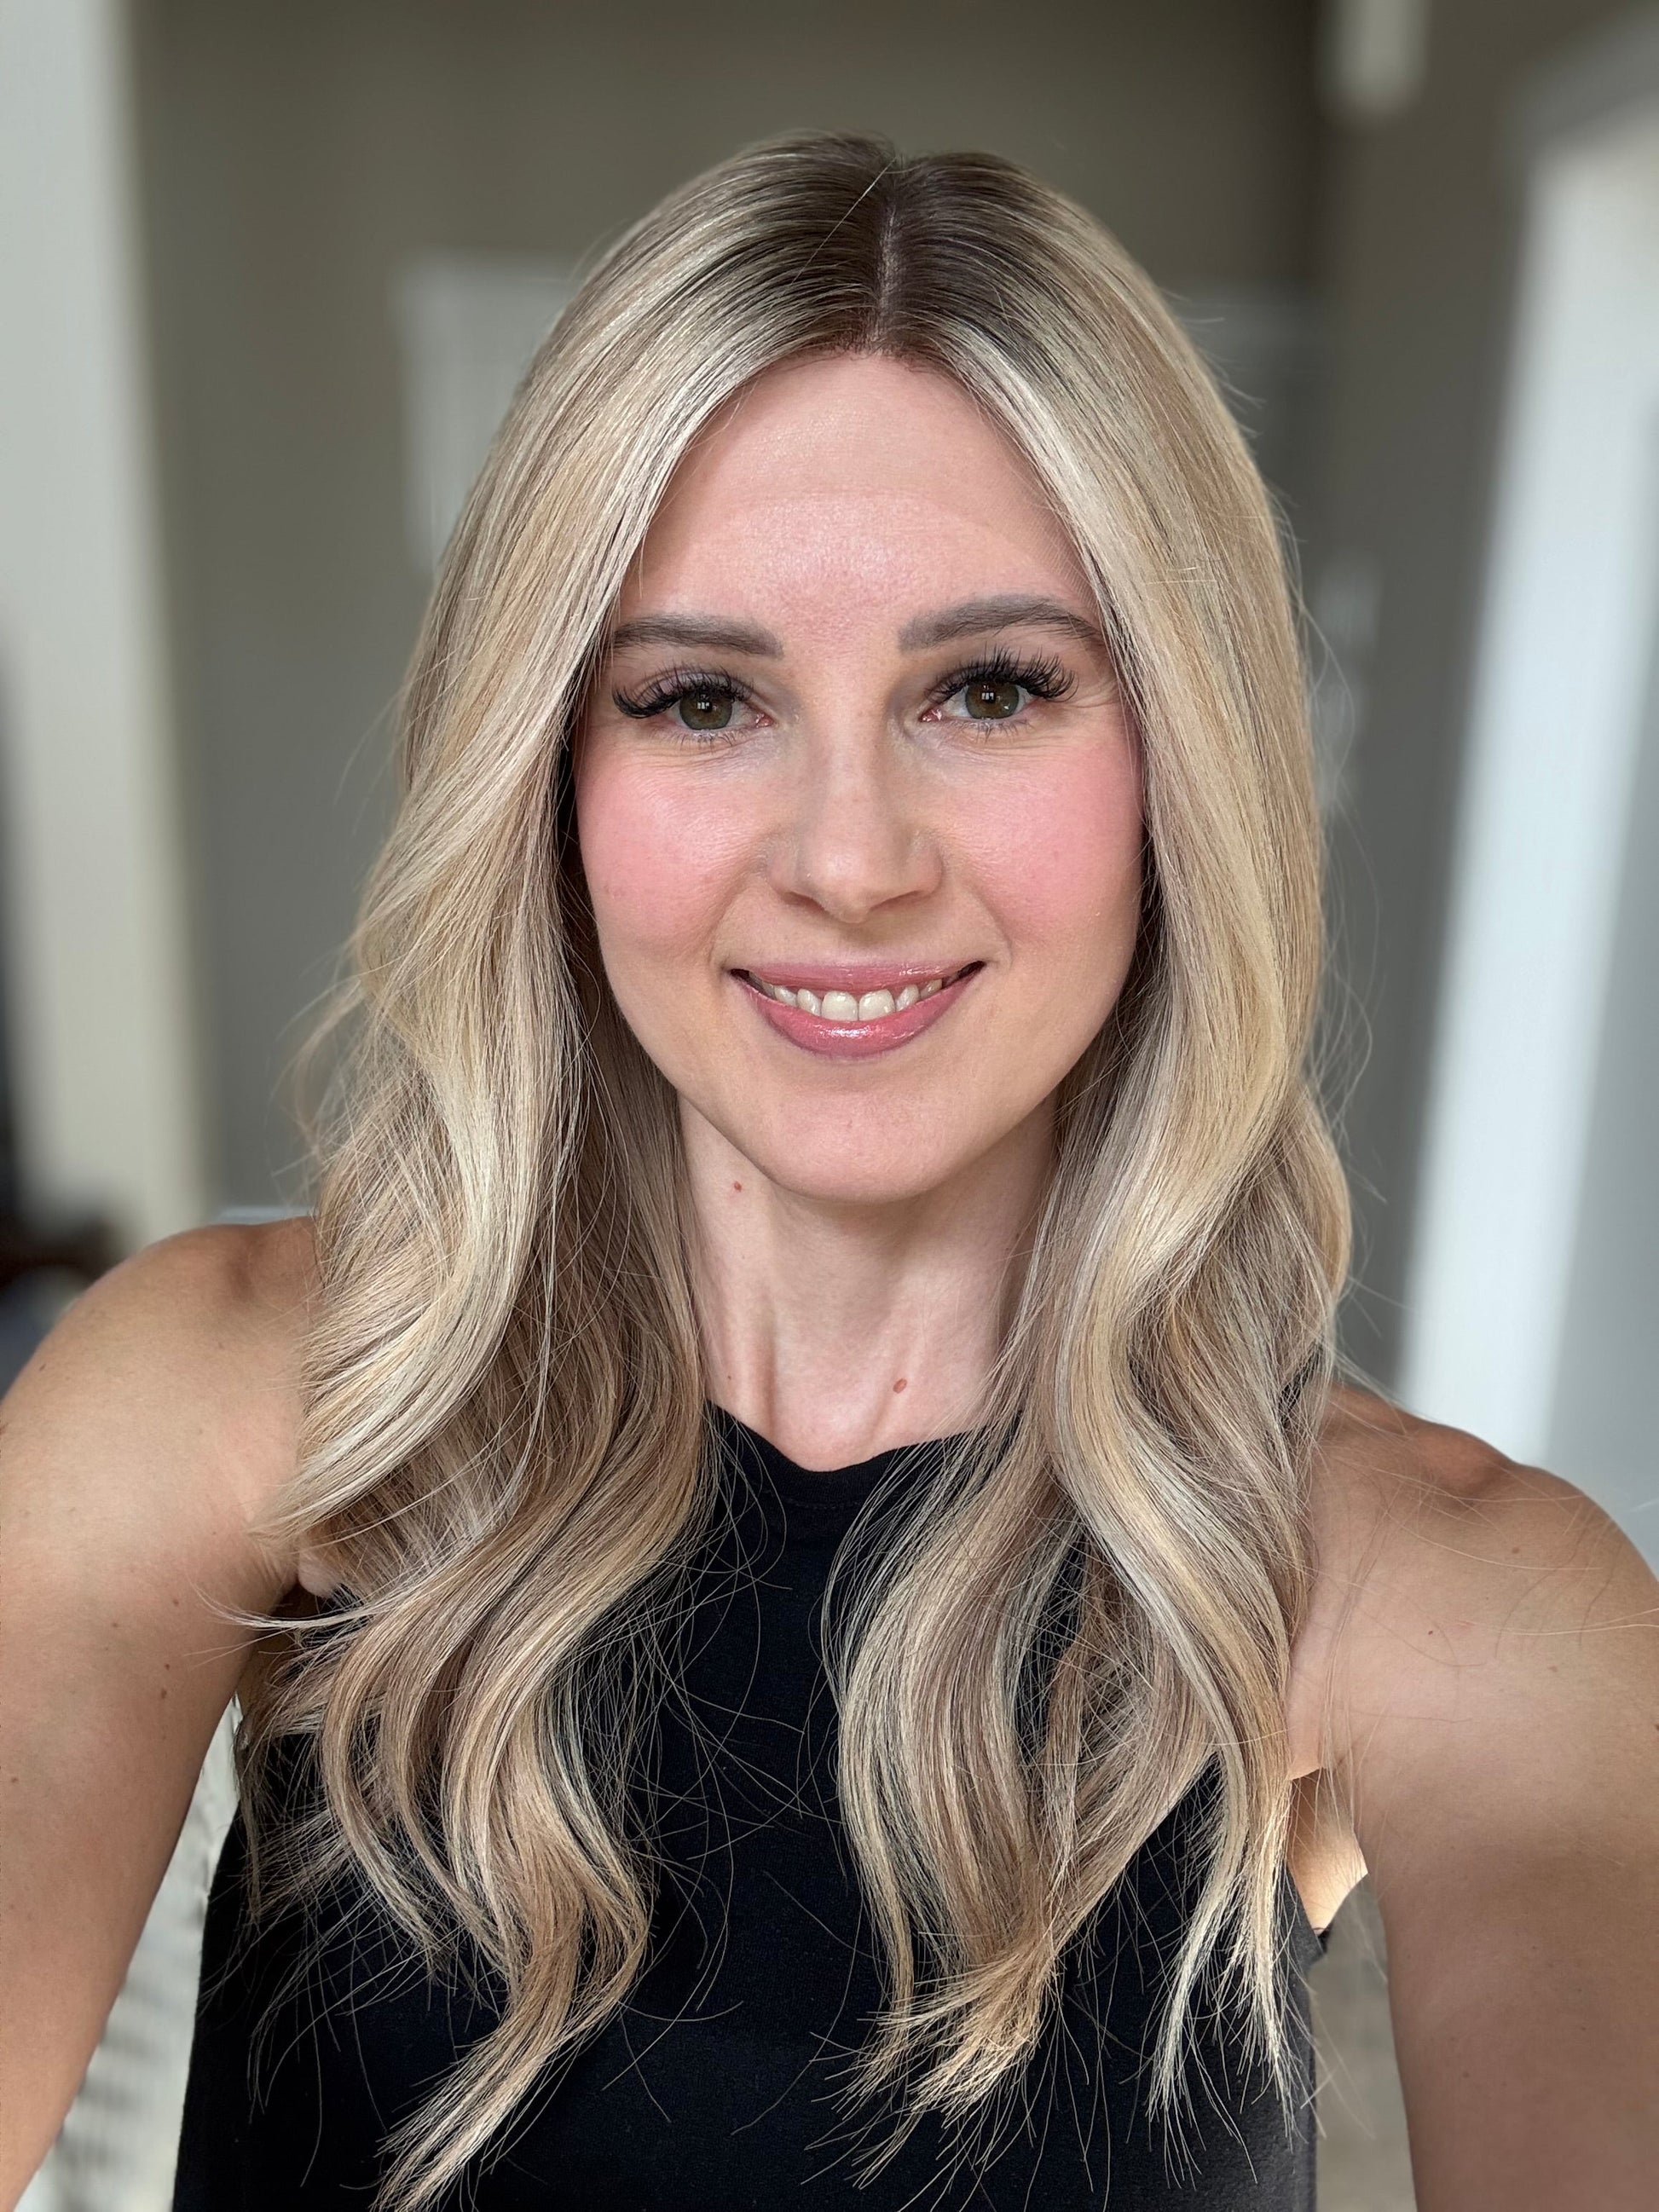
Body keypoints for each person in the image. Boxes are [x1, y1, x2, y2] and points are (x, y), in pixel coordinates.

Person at [2, 134, 1653, 2212]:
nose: (850, 858)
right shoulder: (228, 1395)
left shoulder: (1456, 1594)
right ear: (550, 772)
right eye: (703, 699)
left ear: (1182, 758)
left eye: (991, 688)